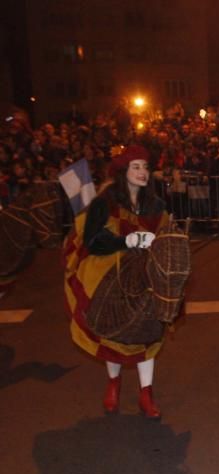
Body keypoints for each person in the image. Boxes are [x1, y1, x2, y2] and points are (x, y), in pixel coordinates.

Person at [63, 145, 170, 418]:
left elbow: (167, 236)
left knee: (149, 328)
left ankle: (147, 392)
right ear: (123, 172)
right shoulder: (105, 202)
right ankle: (114, 383)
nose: (142, 172)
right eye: (136, 167)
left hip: (145, 274)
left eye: (145, 167)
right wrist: (126, 240)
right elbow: (93, 241)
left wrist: (159, 244)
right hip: (110, 269)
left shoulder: (156, 205)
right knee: (113, 328)